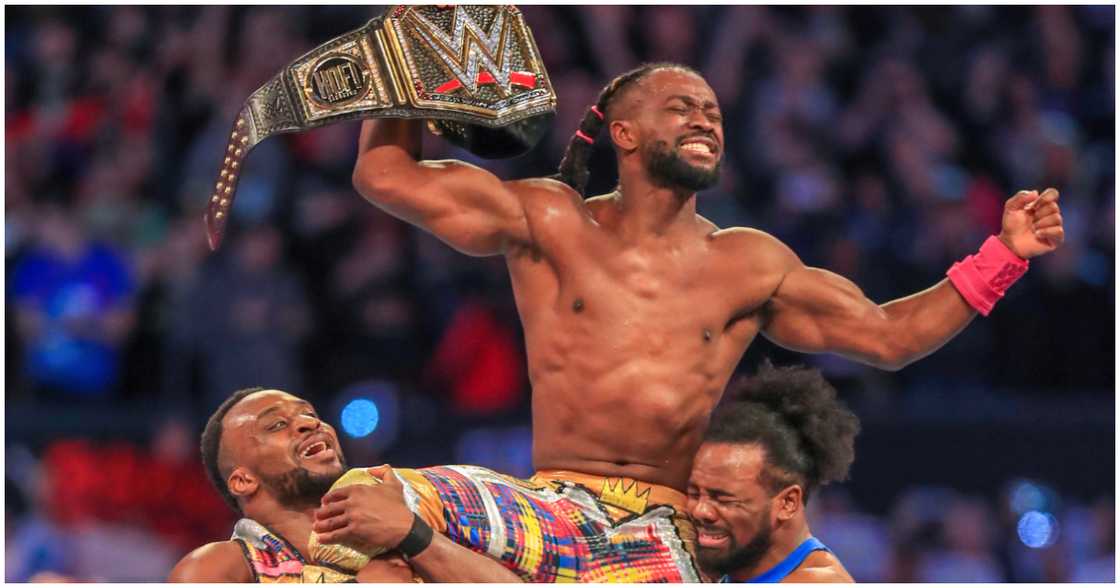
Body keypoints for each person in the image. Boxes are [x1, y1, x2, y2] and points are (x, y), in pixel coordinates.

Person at [325, 61, 1065, 581]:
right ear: (623, 132)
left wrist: (1004, 254)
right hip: (544, 507)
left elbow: (887, 336)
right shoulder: (548, 219)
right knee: (367, 506)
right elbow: (384, 176)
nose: (705, 118)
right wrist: (401, 67)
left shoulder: (747, 262)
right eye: (681, 107)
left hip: (664, 531)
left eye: (712, 110)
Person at [167, 387, 522, 583]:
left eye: (310, 414)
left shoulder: (405, 520)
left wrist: (411, 535)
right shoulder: (224, 567)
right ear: (243, 480)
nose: (309, 424)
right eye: (275, 426)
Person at [688, 361, 858, 583]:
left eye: (723, 499)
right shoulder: (731, 567)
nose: (701, 511)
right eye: (693, 493)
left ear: (787, 503)